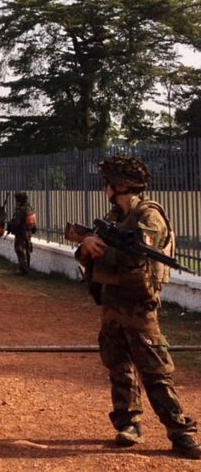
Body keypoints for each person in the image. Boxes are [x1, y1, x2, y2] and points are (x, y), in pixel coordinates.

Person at [76, 155, 200, 459]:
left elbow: (134, 257)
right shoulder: (115, 216)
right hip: (113, 302)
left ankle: (181, 434)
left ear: (117, 185)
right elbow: (89, 251)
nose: (104, 189)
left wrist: (96, 248)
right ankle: (129, 423)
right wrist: (86, 244)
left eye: (107, 184)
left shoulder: (149, 216)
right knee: (117, 365)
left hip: (138, 306)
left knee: (155, 371)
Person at [7, 191, 37, 275]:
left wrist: (11, 227)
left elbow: (17, 223)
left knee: (19, 250)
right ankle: (27, 266)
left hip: (21, 233)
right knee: (27, 249)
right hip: (28, 232)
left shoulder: (20, 210)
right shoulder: (30, 208)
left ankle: (23, 269)